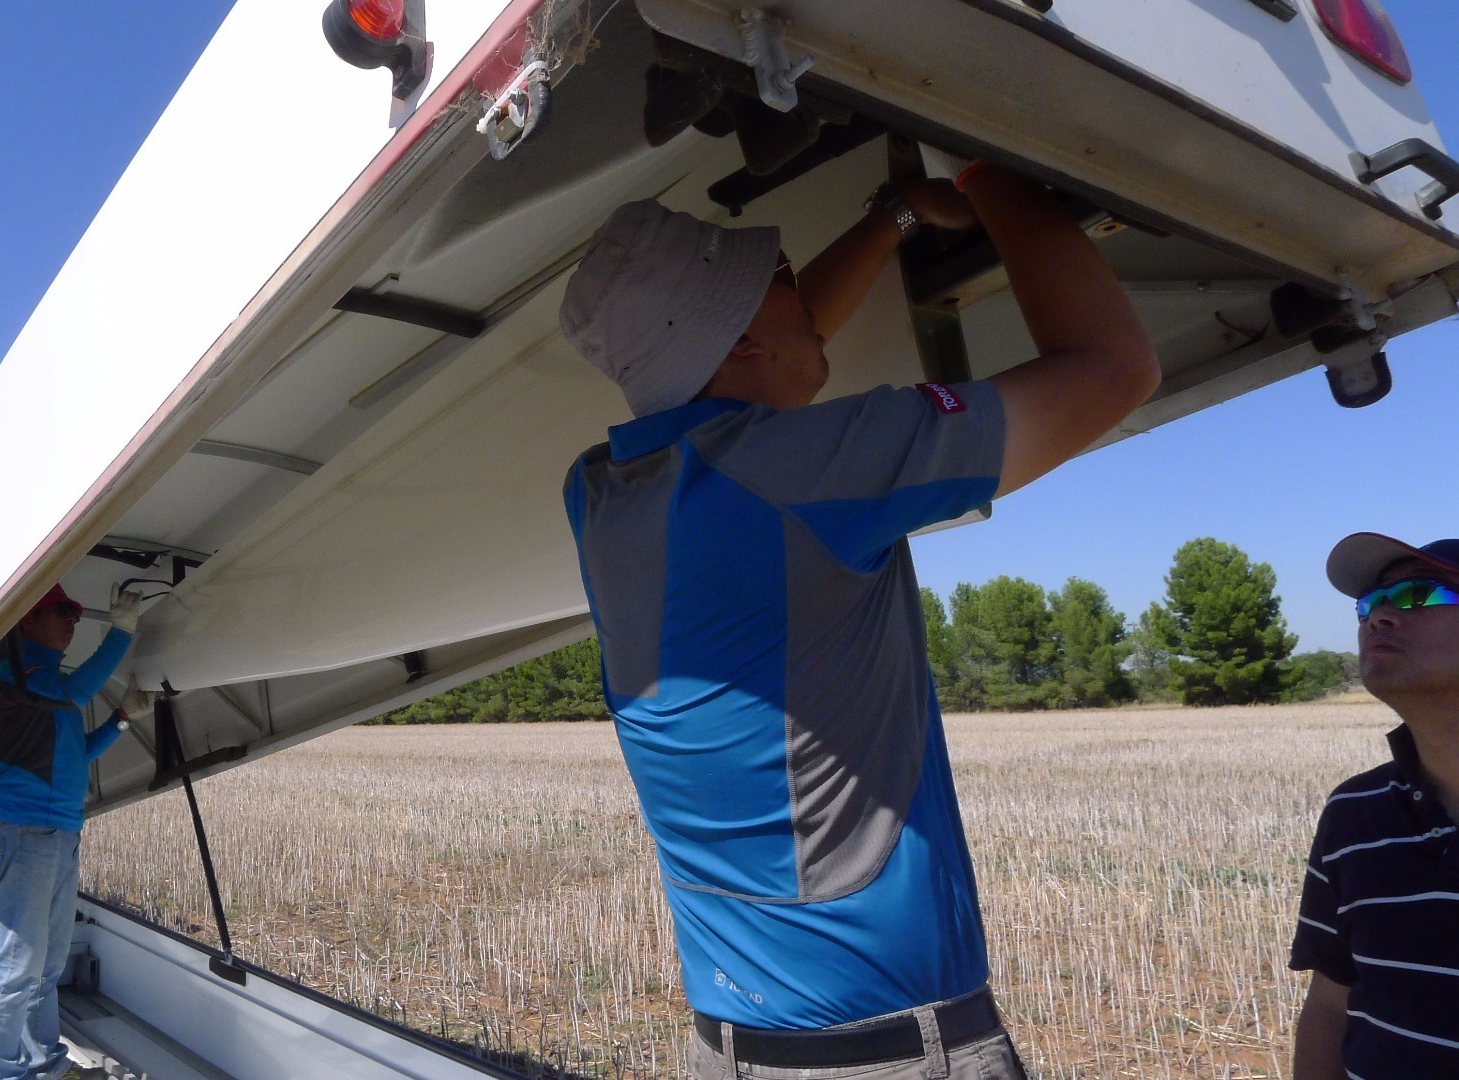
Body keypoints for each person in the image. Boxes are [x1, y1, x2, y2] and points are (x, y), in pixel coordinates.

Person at [558, 162, 1156, 1079]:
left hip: (727, 1048)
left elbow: (759, 366)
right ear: (746, 340)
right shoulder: (793, 472)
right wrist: (991, 174)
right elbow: (1116, 370)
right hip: (887, 1055)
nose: (808, 299)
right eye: (788, 282)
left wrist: (896, 218)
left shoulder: (600, 491)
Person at [1290, 533, 1459, 1080]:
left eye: (1418, 595)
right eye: (1370, 603)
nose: (1378, 617)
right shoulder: (1354, 815)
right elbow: (1329, 1008)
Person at [0, 582, 146, 1080]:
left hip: (60, 836)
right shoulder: (20, 676)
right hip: (24, 835)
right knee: (15, 968)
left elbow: (77, 753)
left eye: (74, 612)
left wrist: (121, 720)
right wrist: (121, 633)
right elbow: (75, 690)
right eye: (60, 612)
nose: (72, 621)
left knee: (46, 965)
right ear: (28, 621)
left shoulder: (49, 686)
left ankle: (44, 1065)